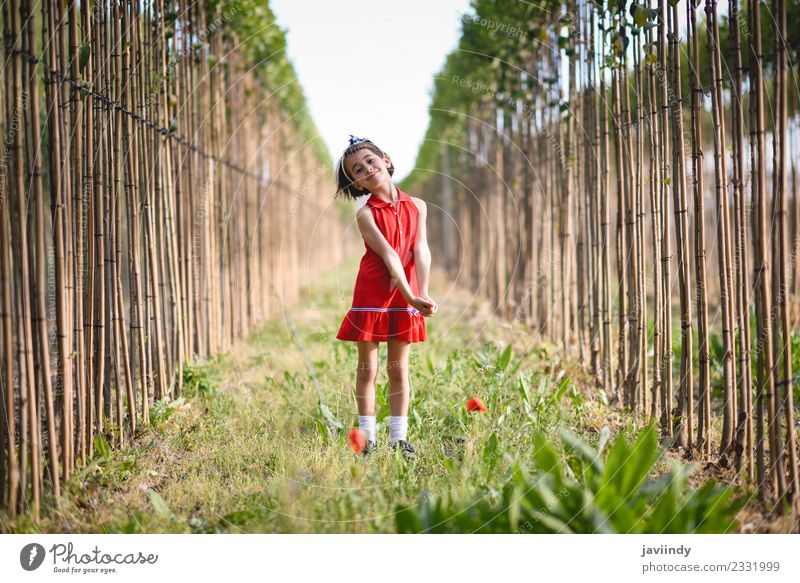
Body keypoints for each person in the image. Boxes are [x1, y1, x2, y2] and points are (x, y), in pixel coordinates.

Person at [334, 135, 438, 461]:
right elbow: (390, 255)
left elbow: (421, 250)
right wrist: (409, 293)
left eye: (370, 161)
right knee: (368, 368)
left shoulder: (418, 205)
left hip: (406, 295)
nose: (366, 168)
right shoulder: (365, 213)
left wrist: (421, 293)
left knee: (399, 369)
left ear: (387, 160)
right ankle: (366, 439)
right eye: (357, 170)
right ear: (356, 183)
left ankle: (399, 439)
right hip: (373, 294)